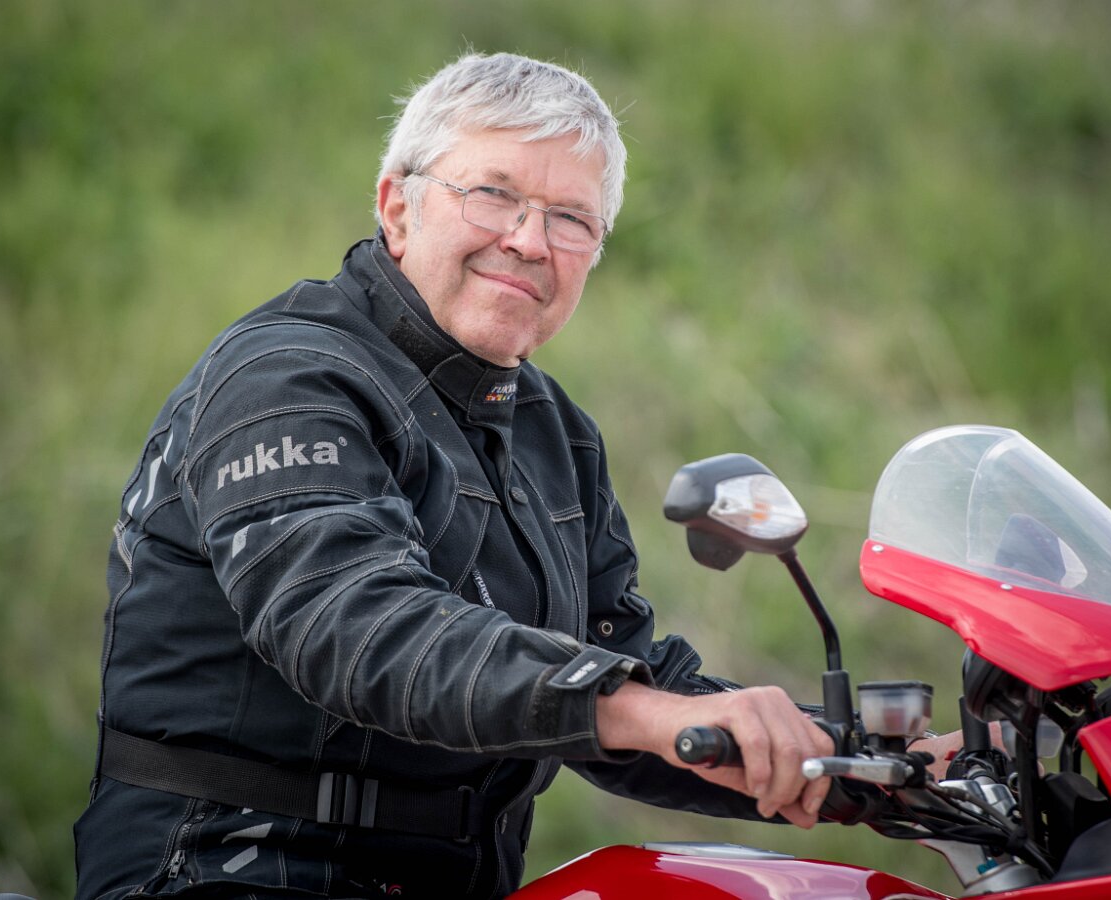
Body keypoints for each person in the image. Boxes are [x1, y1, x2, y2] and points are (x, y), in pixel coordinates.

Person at [74, 52, 952, 899]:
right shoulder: (286, 377)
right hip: (225, 869)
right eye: (493, 194)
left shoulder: (552, 431)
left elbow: (627, 670)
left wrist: (872, 768)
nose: (530, 240)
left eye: (571, 219)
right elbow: (354, 622)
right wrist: (635, 709)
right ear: (397, 207)